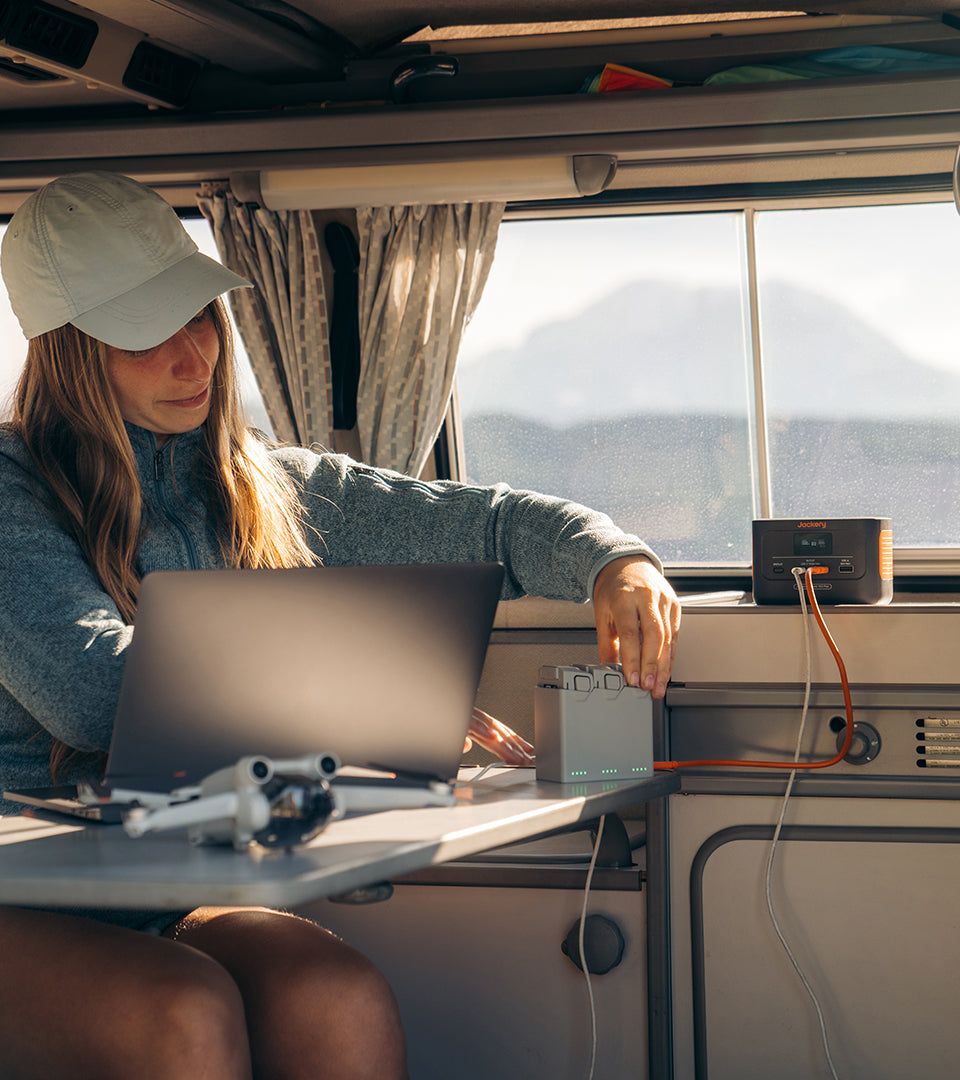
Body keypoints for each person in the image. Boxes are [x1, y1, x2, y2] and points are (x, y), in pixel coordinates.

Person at [0, 171, 680, 1079]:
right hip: (24, 894)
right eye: (145, 336)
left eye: (199, 318)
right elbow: (95, 695)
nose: (193, 358)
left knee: (338, 994)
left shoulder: (268, 483)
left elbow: (491, 522)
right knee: (186, 1010)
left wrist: (613, 560)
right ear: (72, 351)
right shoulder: (13, 494)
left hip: (160, 883)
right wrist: (363, 699)